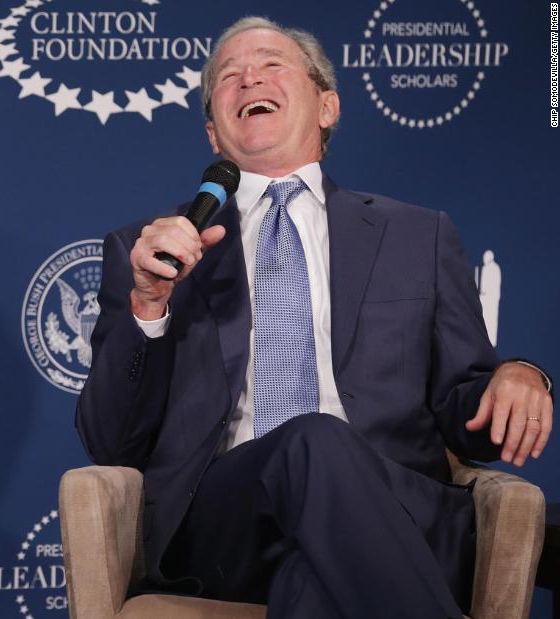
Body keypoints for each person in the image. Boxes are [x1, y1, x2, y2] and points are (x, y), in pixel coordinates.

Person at [76, 16, 552, 619]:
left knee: (312, 588)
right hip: (228, 522)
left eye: (272, 64)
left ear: (327, 106)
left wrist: (521, 374)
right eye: (228, 75)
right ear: (212, 134)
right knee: (315, 438)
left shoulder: (417, 236)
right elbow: (110, 441)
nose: (249, 77)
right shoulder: (155, 251)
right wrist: (146, 305)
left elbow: (469, 419)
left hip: (392, 508)